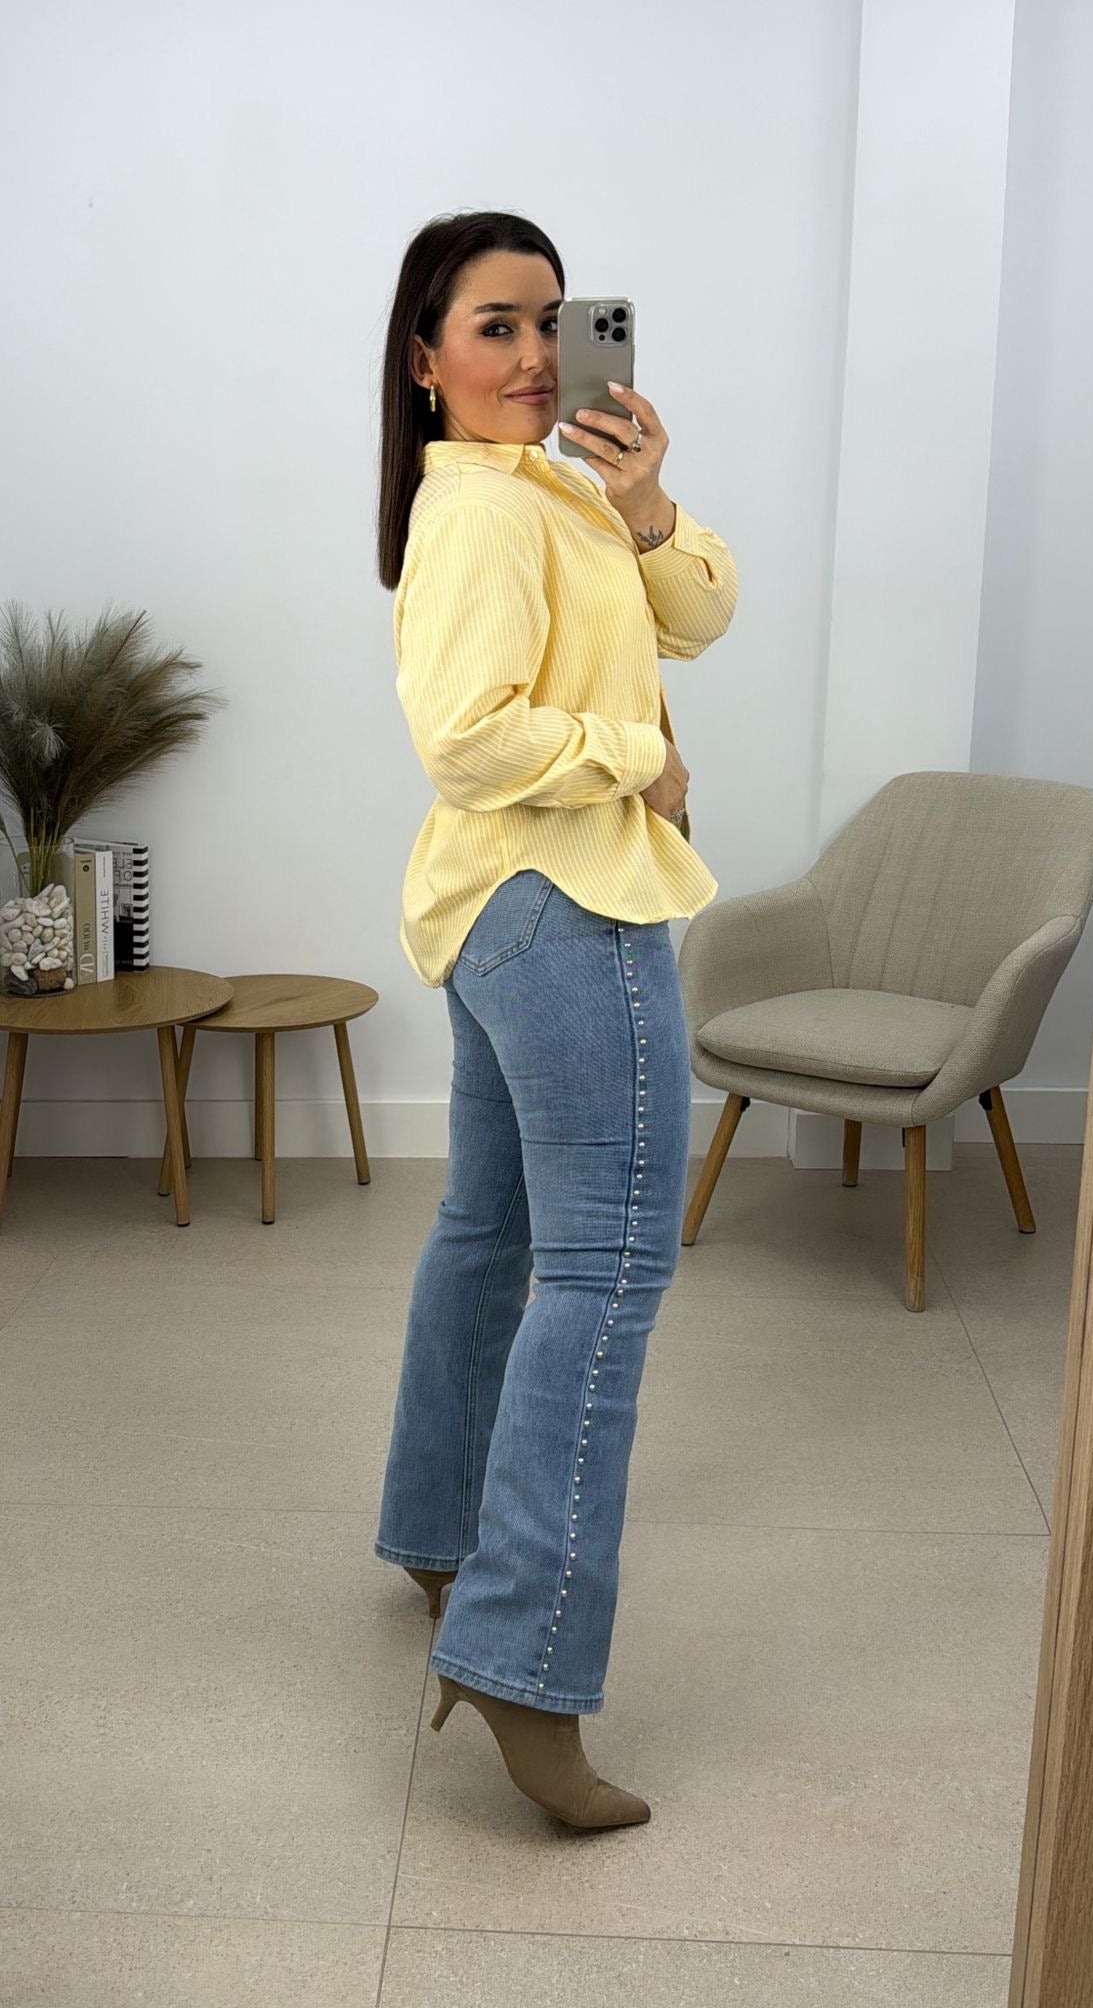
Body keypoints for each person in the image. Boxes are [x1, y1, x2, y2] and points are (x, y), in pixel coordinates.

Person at [373, 210, 738, 1831]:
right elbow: (467, 736)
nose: (532, 356)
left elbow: (699, 615)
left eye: (550, 323)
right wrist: (640, 760)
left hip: (496, 908)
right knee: (607, 1271)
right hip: (567, 902)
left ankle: (438, 1537)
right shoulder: (479, 514)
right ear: (426, 357)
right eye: (494, 327)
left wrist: (647, 502)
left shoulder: (558, 491)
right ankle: (522, 1664)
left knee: (491, 1232)